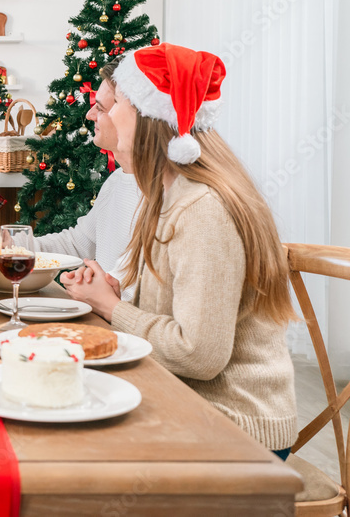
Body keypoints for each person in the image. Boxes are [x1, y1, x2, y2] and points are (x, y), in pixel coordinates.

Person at [61, 44, 297, 457]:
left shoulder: (203, 209)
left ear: (151, 118)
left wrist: (113, 309)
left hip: (231, 428)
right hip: (190, 404)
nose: (98, 113)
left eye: (116, 103)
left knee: (66, 441)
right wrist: (114, 295)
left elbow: (199, 354)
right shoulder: (170, 195)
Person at [34, 64, 142, 300]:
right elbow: (77, 243)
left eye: (100, 109)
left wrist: (105, 296)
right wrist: (10, 245)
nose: (89, 115)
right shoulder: (116, 181)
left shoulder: (166, 197)